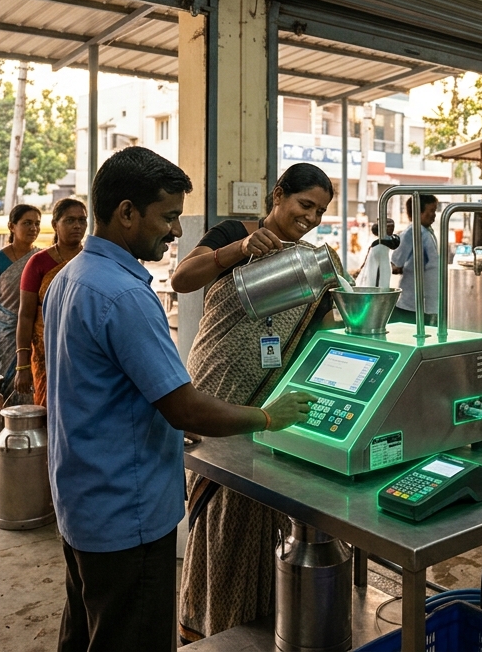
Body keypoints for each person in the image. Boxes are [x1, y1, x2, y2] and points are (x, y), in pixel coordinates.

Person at [45, 146, 314, 652]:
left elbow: (102, 388)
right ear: (127, 212)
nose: (174, 232)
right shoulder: (126, 295)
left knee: (85, 631)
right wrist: (267, 417)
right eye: (168, 217)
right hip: (128, 511)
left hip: (82, 501)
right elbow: (184, 405)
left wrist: (162, 421)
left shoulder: (71, 279)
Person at [171, 163, 337, 641]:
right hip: (215, 390)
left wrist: (343, 298)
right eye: (305, 205)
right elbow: (184, 278)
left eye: (320, 211)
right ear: (277, 195)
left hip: (272, 403)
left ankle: (260, 625)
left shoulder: (312, 261)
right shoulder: (234, 233)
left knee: (262, 515)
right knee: (219, 518)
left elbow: (321, 331)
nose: (311, 218)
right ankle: (207, 628)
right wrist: (238, 250)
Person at [14, 198, 88, 407]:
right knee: (50, 409)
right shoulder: (38, 263)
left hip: (86, 351)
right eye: (70, 220)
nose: (77, 226)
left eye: (82, 220)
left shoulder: (91, 258)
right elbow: (26, 315)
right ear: (55, 224)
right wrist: (22, 366)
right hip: (47, 354)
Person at [0, 204, 42, 402]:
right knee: (5, 392)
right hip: (3, 338)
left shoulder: (41, 259)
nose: (33, 229)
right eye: (27, 223)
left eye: (37, 224)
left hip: (35, 336)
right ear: (12, 226)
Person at [390, 194, 439, 326]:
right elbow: (396, 263)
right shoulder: (412, 232)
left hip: (425, 298)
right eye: (431, 211)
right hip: (411, 301)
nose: (434, 215)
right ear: (419, 212)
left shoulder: (426, 231)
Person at [355, 218, 396, 288]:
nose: (391, 228)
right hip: (379, 270)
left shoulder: (388, 241)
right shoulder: (378, 244)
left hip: (383, 268)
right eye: (389, 226)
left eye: (392, 226)